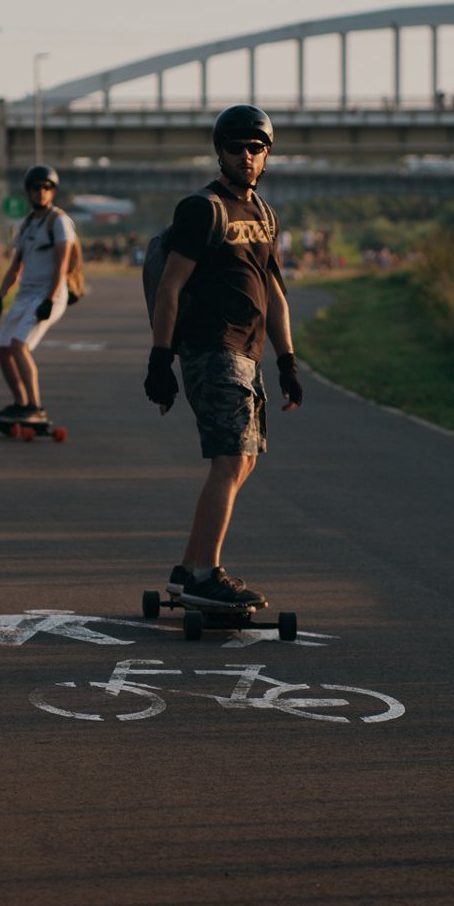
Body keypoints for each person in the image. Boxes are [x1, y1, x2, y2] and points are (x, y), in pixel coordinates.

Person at [144, 105, 304, 611]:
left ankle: (188, 568)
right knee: (231, 458)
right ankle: (206, 575)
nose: (246, 156)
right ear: (220, 152)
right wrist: (159, 358)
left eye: (255, 148)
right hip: (211, 347)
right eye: (235, 147)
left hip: (250, 353)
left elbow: (275, 294)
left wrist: (288, 362)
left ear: (267, 154)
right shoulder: (202, 208)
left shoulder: (263, 214)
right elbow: (171, 287)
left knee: (246, 461)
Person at [0, 164, 79, 421]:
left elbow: (62, 263)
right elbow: (16, 264)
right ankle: (21, 402)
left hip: (48, 295)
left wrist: (50, 300)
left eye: (47, 187)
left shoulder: (59, 222)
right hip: (24, 296)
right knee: (3, 349)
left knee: (19, 345)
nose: (41, 191)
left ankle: (36, 408)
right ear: (28, 191)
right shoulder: (27, 224)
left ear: (53, 192)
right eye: (36, 187)